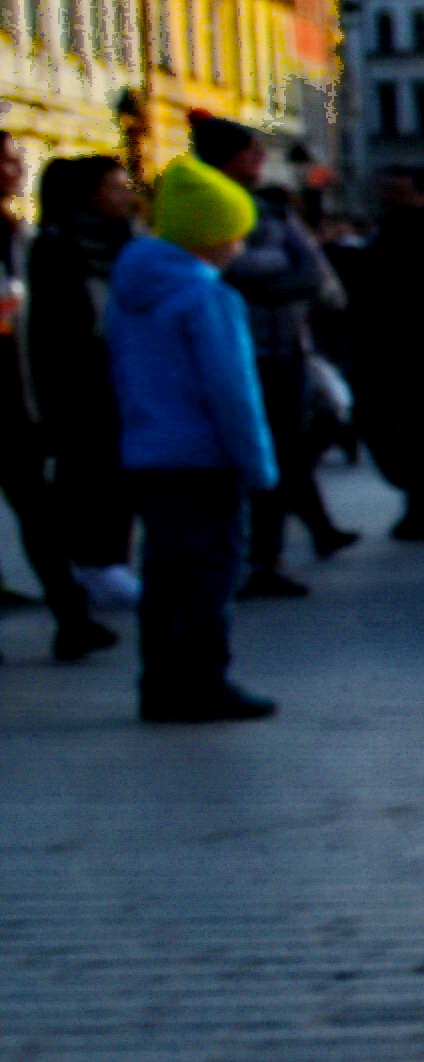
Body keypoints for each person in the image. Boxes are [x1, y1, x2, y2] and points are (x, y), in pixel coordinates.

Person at [108, 158, 280, 721]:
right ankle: (205, 680)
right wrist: (257, 464)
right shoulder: (209, 299)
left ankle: (159, 681)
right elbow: (232, 391)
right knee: (210, 572)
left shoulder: (131, 289)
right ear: (213, 237)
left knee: (163, 573)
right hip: (205, 458)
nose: (240, 246)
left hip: (149, 452)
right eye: (235, 233)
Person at [25, 152, 138, 652]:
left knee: (117, 476)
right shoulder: (56, 246)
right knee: (86, 476)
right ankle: (93, 570)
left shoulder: (130, 244)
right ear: (90, 193)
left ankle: (106, 567)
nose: (126, 194)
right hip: (80, 383)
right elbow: (48, 331)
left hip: (124, 378)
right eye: (115, 187)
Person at [222, 169, 350, 591]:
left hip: (286, 349)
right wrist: (277, 267)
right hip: (251, 350)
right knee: (276, 454)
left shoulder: (276, 217)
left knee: (287, 450)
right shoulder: (228, 215)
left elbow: (313, 275)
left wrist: (258, 279)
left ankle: (275, 551)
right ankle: (277, 548)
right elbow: (232, 270)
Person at [342, 172, 424, 543]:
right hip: (391, 348)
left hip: (413, 349)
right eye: (387, 189)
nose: (389, 196)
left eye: (399, 190)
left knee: (418, 432)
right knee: (409, 432)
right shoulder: (392, 232)